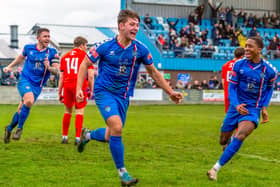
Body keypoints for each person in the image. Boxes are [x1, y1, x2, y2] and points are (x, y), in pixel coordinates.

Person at [75, 9, 183, 186]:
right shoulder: (104, 45)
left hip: (123, 97)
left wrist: (170, 92)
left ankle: (88, 135)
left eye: (137, 25)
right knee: (117, 127)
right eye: (132, 24)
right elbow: (85, 63)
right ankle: (123, 174)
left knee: (111, 134)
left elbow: (154, 73)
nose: (136, 28)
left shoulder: (140, 49)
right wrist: (80, 87)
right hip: (104, 93)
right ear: (121, 26)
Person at [207, 36, 278, 181]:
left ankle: (215, 169)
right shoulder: (238, 65)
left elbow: (269, 88)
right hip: (236, 106)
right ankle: (229, 139)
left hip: (253, 108)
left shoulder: (270, 70)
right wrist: (236, 104)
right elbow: (231, 87)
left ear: (259, 49)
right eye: (245, 46)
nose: (246, 49)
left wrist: (264, 106)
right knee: (222, 141)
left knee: (241, 135)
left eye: (250, 46)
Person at [3, 28, 59, 143]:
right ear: (38, 38)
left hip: (37, 85)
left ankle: (9, 129)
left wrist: (49, 67)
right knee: (29, 101)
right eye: (45, 36)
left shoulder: (52, 52)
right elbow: (20, 58)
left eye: (49, 36)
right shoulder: (29, 48)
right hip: (25, 80)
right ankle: (19, 129)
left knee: (21, 110)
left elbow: (56, 71)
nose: (47, 39)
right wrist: (9, 66)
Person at [58, 36, 94, 145]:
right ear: (82, 45)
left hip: (67, 85)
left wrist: (60, 91)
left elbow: (61, 77)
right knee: (79, 111)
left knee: (68, 111)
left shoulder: (65, 56)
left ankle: (64, 137)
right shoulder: (85, 56)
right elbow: (91, 75)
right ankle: (78, 138)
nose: (86, 48)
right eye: (86, 46)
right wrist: (91, 89)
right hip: (80, 85)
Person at [221, 47, 245, 113]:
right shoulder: (242, 65)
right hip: (238, 94)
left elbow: (223, 81)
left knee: (228, 115)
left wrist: (226, 90)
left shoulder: (225, 65)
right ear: (242, 56)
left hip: (228, 93)